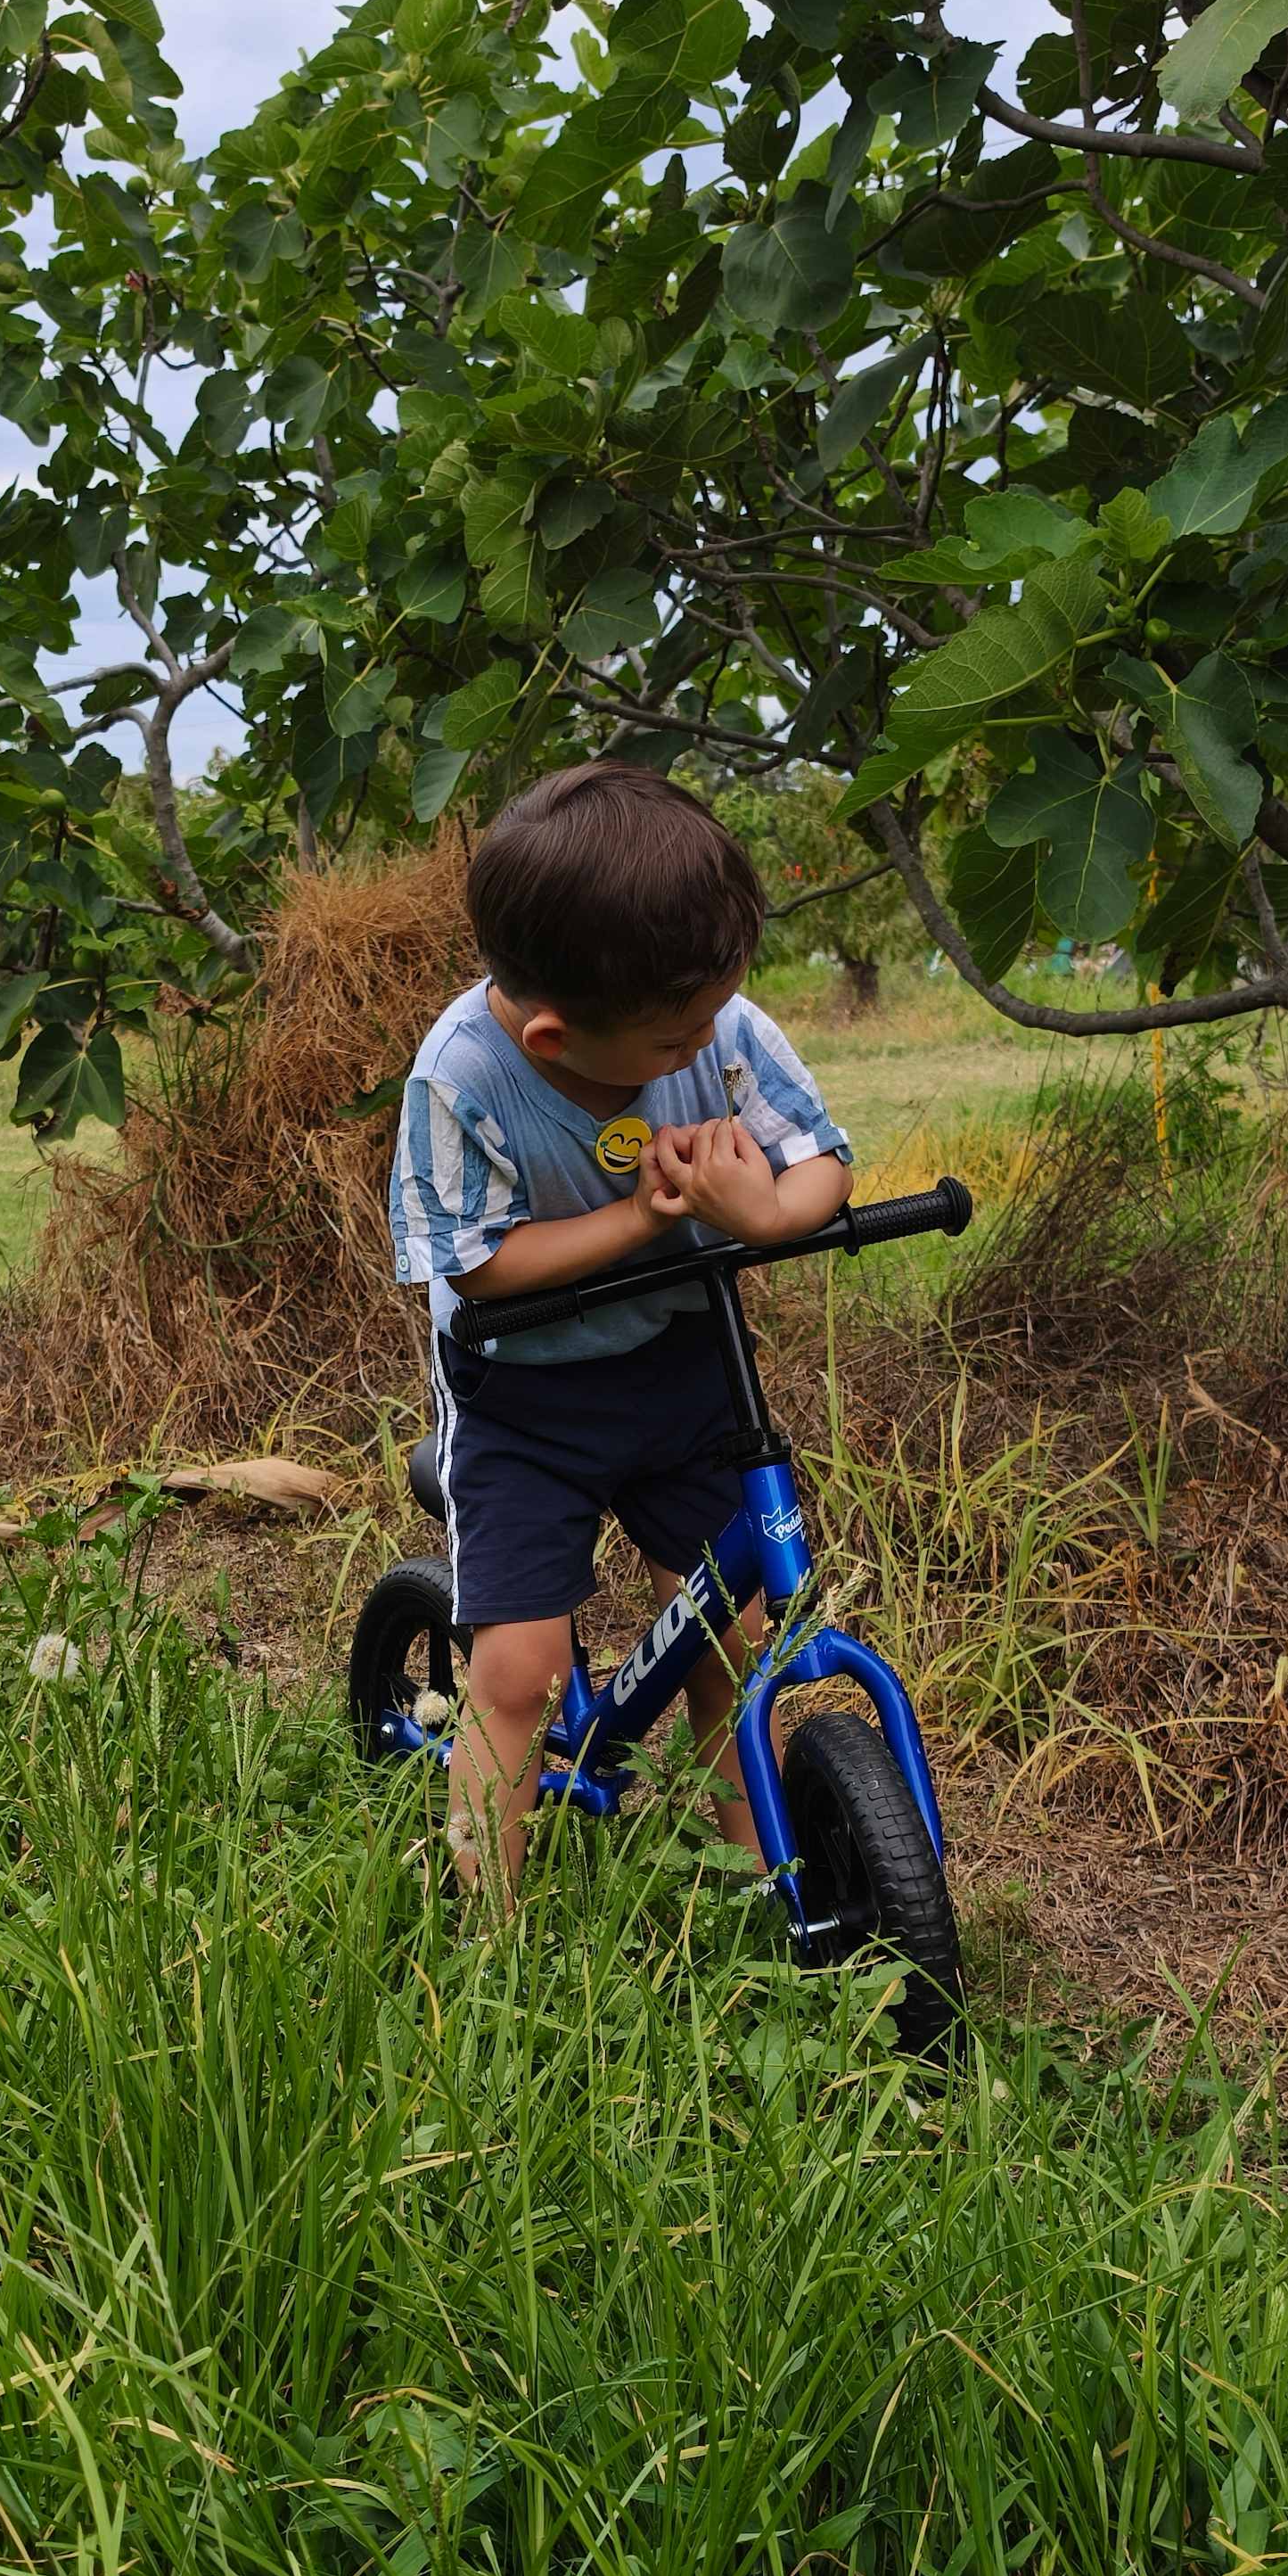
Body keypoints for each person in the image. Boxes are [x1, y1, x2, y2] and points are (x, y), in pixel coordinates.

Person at [386, 761, 854, 1904]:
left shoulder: (708, 1017)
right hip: (522, 1389)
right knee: (520, 1672)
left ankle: (762, 1883)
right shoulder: (464, 1074)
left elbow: (821, 1162)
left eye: (712, 1016)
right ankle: (486, 1929)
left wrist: (763, 1213)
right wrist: (640, 1218)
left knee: (734, 1632)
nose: (703, 1045)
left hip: (681, 1361)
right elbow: (478, 1263)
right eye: (675, 1040)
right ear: (553, 1039)